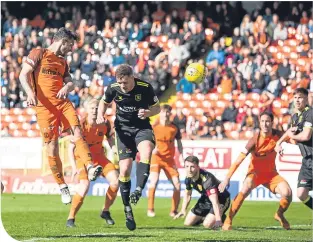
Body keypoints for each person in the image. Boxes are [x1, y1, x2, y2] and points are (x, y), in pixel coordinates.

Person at [19, 28, 102, 205]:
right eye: (70, 45)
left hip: (63, 104)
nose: (71, 49)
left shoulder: (63, 62)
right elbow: (23, 74)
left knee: (77, 132)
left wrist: (67, 87)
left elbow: (70, 82)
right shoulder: (39, 53)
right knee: (52, 147)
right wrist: (29, 93)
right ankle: (62, 186)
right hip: (44, 107)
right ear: (63, 41)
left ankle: (90, 166)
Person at [97, 64, 160, 231]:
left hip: (142, 128)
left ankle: (139, 189)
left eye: (125, 82)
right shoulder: (113, 88)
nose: (123, 86)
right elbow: (103, 103)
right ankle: (127, 208)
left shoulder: (145, 88)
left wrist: (148, 113)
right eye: (120, 82)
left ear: (132, 77)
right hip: (122, 130)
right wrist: (99, 115)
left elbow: (157, 108)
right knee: (124, 171)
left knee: (146, 151)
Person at [219, 111, 292, 230]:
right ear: (259, 123)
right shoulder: (254, 140)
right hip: (255, 173)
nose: (265, 124)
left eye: (267, 121)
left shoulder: (278, 135)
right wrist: (227, 178)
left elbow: (294, 139)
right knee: (245, 187)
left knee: (288, 194)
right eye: (262, 121)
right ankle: (228, 220)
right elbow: (238, 161)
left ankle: (279, 214)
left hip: (271, 175)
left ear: (272, 122)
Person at [66, 99, 119, 227]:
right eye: (92, 108)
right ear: (86, 110)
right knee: (84, 186)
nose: (94, 111)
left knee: (116, 181)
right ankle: (71, 218)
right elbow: (70, 148)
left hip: (99, 157)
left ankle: (105, 211)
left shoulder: (105, 122)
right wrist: (73, 168)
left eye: (96, 108)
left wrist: (115, 150)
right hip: (82, 159)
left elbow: (110, 139)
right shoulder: (80, 124)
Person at [275, 88, 313, 210]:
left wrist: (294, 137)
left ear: (306, 99)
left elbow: (306, 135)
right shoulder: (295, 116)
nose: (297, 100)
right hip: (307, 161)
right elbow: (290, 132)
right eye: (295, 97)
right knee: (301, 194)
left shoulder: (310, 113)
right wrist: (279, 143)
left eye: (300, 97)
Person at [174, 156, 230, 230]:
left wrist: (218, 219)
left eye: (192, 167)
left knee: (207, 225)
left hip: (221, 199)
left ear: (198, 167)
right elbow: (188, 194)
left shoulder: (207, 179)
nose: (189, 170)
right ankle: (206, 217)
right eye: (187, 166)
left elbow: (215, 202)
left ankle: (221, 217)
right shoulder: (188, 178)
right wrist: (183, 210)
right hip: (206, 198)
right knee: (187, 223)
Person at [147, 104, 184, 218]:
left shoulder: (174, 128)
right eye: (163, 112)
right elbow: (147, 141)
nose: (165, 114)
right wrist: (152, 149)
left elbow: (179, 142)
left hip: (169, 160)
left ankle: (173, 211)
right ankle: (150, 209)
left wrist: (181, 155)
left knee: (177, 184)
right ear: (160, 113)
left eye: (168, 112)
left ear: (170, 114)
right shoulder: (154, 127)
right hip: (156, 158)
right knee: (154, 181)